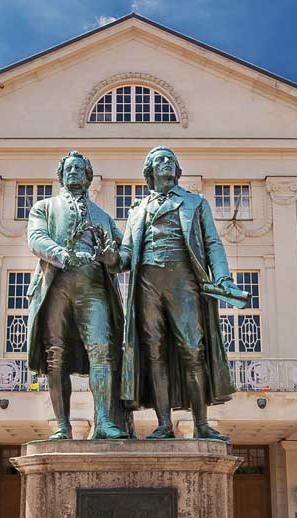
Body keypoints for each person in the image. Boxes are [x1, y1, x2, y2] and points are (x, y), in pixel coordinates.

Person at [118, 146, 243, 440]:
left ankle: (201, 423)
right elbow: (125, 254)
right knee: (154, 353)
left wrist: (222, 276)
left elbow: (212, 243)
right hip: (147, 283)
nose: (166, 164)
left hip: (183, 281)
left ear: (177, 170)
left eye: (170, 160)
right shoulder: (138, 209)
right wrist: (108, 256)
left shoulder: (195, 203)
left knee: (192, 349)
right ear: (149, 171)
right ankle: (163, 424)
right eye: (160, 160)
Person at [26, 151, 128, 440]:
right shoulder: (44, 208)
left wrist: (113, 258)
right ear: (61, 175)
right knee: (55, 356)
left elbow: (124, 254)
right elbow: (36, 238)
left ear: (88, 176)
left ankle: (105, 422)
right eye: (68, 169)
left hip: (94, 288)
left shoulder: (103, 217)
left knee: (102, 352)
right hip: (56, 285)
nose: (73, 173)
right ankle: (62, 425)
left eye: (79, 169)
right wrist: (61, 254)